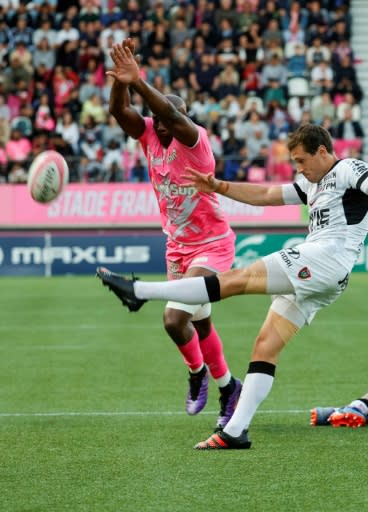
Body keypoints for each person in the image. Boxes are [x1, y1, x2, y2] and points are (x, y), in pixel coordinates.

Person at [97, 123, 368, 450]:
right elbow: (267, 194)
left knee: (237, 280)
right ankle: (235, 432)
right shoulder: (310, 182)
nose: (299, 168)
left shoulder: (347, 168)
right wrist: (219, 187)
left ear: (322, 151)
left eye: (302, 160)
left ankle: (139, 291)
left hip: (323, 258)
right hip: (326, 277)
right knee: (265, 345)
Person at [105, 39, 241, 431]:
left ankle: (197, 372)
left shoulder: (194, 140)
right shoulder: (150, 132)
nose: (160, 124)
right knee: (198, 324)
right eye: (157, 118)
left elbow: (164, 109)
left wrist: (141, 82)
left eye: (168, 117)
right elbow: (120, 110)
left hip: (212, 245)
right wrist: (121, 82)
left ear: (183, 118)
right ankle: (227, 387)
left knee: (171, 319)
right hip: (177, 246)